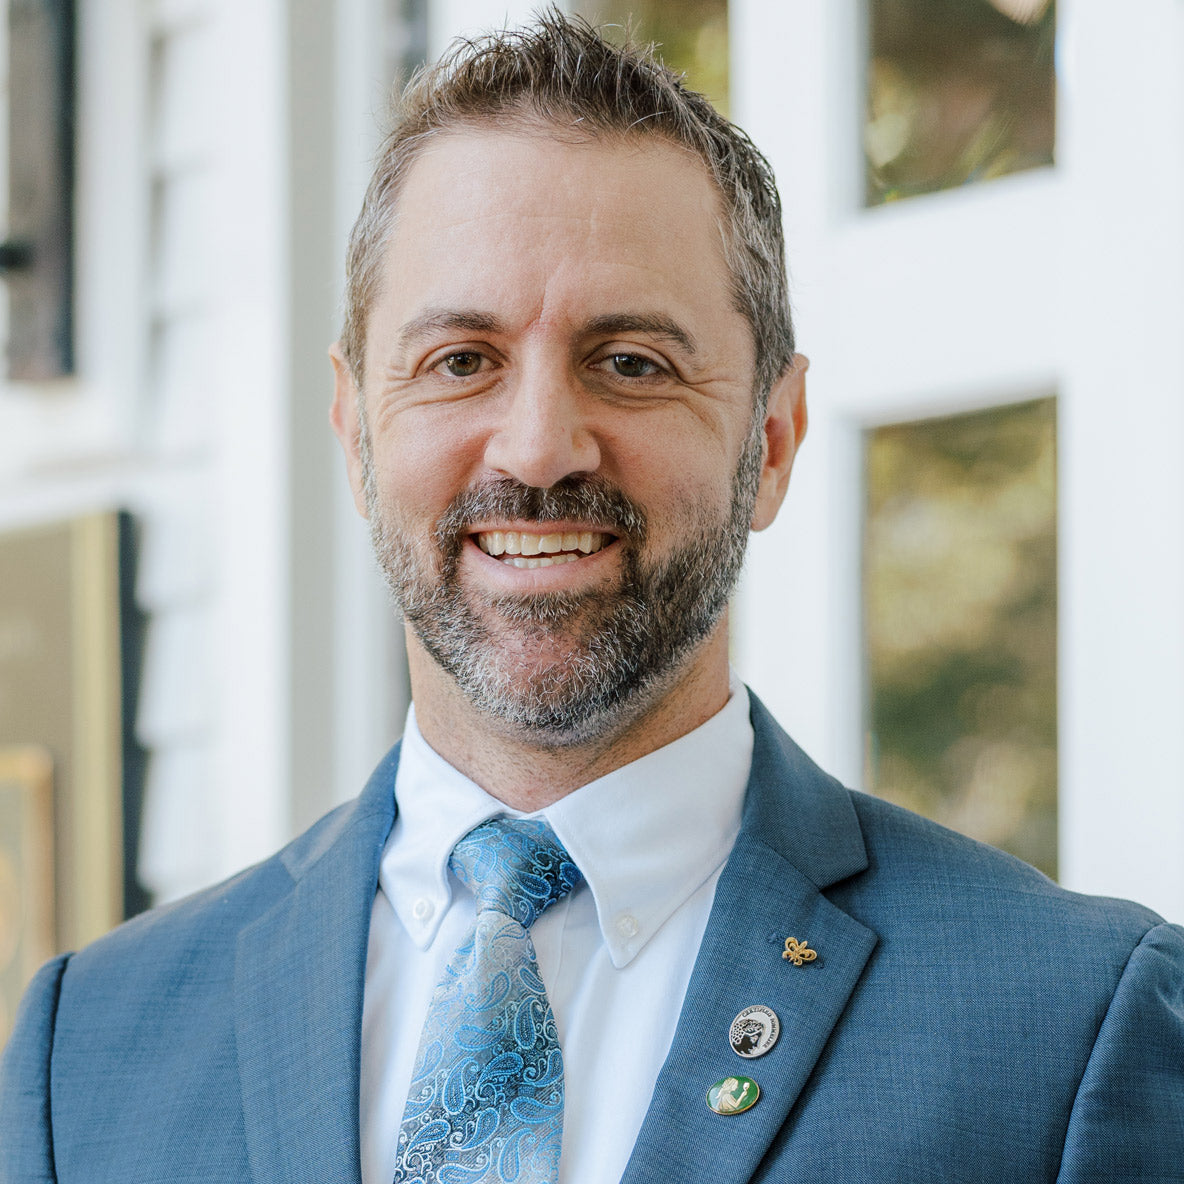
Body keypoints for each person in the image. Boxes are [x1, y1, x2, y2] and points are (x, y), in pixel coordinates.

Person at [2, 11, 1182, 1183]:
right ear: (355, 432)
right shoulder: (89, 1051)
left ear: (771, 438)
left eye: (631, 362)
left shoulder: (1072, 1027)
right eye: (460, 359)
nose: (537, 446)